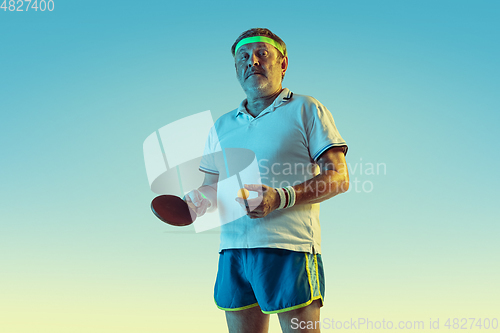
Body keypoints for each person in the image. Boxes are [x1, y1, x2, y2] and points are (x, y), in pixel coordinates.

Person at [184, 28, 349, 333]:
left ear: (283, 63)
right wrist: (196, 201)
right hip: (233, 251)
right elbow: (209, 188)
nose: (253, 61)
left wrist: (280, 198)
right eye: (244, 57)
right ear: (237, 68)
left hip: (290, 248)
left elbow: (338, 177)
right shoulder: (221, 125)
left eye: (263, 53)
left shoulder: (306, 109)